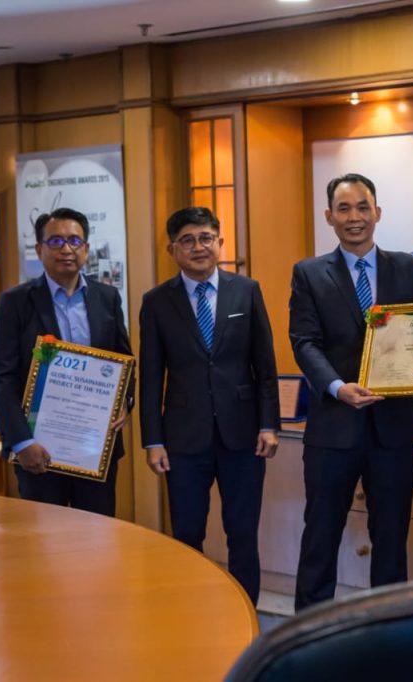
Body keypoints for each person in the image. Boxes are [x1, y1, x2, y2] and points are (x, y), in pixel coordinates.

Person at [290, 172, 413, 610]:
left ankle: (389, 633)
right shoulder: (310, 273)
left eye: (363, 207)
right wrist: (336, 387)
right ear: (329, 216)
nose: (355, 217)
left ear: (378, 212)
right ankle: (307, 634)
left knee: (391, 536)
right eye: (345, 209)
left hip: (394, 427)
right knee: (321, 534)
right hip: (335, 426)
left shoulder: (408, 267)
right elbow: (304, 342)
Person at [139, 206, 279, 605]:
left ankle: (247, 614)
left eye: (205, 237)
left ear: (220, 242)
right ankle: (190, 614)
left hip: (244, 436)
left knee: (242, 533)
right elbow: (151, 377)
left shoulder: (246, 291)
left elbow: (264, 367)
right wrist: (153, 440)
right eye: (187, 240)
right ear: (172, 249)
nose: (198, 247)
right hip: (183, 440)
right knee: (186, 534)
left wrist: (269, 424)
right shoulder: (156, 302)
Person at [0, 208, 132, 516]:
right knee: (45, 544)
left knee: (97, 539)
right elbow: (1, 377)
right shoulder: (15, 302)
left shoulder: (106, 297)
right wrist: (22, 442)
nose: (66, 249)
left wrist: (124, 402)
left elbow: (124, 361)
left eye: (74, 240)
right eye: (55, 241)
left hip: (95, 449)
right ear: (39, 250)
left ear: (87, 249)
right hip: (39, 449)